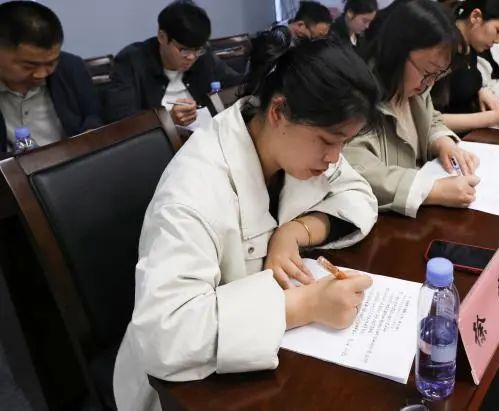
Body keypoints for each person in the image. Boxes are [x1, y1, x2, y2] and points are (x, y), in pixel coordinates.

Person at [113, 27, 381, 411]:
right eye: (328, 141)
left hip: (267, 360)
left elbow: (359, 194)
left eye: (344, 143)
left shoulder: (290, 143)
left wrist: (295, 231)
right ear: (278, 111)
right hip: (187, 391)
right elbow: (165, 336)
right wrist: (303, 306)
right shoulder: (193, 190)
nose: (335, 158)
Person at [344, 0, 480, 218]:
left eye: (437, 74)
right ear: (397, 51)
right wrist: (430, 190)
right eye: (427, 72)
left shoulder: (416, 87)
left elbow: (431, 118)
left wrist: (442, 142)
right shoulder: (358, 97)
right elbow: (357, 167)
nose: (429, 83)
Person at [105, 0, 243, 126]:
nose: (191, 57)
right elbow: (121, 119)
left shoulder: (203, 56)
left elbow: (237, 86)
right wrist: (167, 119)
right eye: (184, 50)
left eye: (197, 49)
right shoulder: (131, 60)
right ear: (162, 37)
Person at [0, 1, 102, 152]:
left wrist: (90, 135)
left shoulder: (70, 67)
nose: (41, 74)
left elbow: (93, 116)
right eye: (28, 66)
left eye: (51, 63)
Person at [432, 0, 499, 133]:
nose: (497, 40)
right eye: (498, 31)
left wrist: (480, 91)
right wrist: (493, 118)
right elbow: (427, 120)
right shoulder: (440, 51)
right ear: (475, 17)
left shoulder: (470, 47)